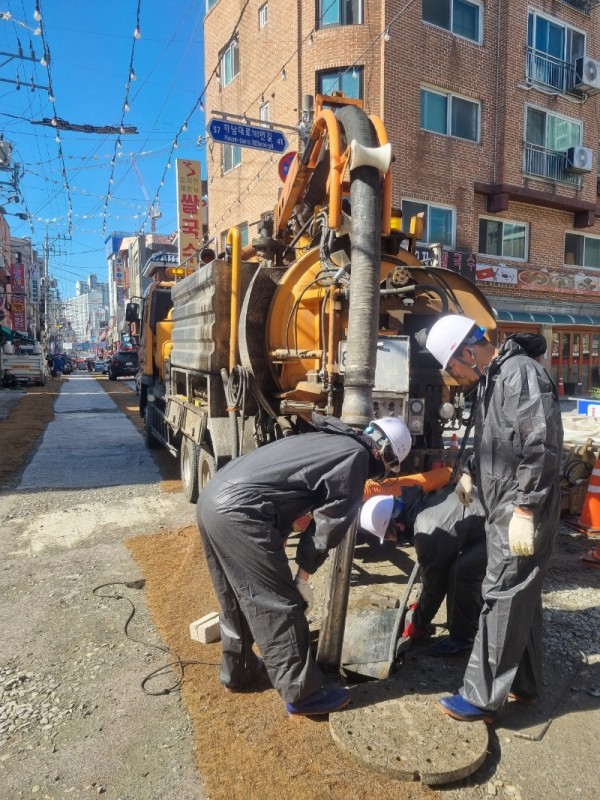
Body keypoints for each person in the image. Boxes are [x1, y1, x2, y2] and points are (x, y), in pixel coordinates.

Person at [196, 414, 412, 717]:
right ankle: (303, 693)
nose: (381, 474)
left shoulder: (326, 440)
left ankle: (239, 668)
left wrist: (279, 536)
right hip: (240, 513)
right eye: (389, 467)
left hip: (213, 498)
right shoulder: (355, 458)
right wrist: (302, 577)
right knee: (279, 603)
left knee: (234, 595)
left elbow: (280, 487)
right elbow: (328, 526)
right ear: (385, 454)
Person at [425, 315, 563, 723]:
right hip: (504, 499)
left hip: (520, 505)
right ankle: (526, 685)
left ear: (467, 352)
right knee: (522, 594)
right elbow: (491, 438)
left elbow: (543, 446)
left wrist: (526, 507)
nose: (455, 376)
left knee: (502, 592)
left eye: (453, 368)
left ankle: (481, 698)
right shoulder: (493, 377)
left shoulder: (520, 375)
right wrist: (469, 470)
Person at [359, 486, 487, 656]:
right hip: (486, 524)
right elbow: (433, 568)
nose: (393, 541)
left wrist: (418, 623)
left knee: (461, 571)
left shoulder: (427, 530)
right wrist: (420, 602)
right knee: (456, 567)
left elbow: (434, 587)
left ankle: (464, 638)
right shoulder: (420, 507)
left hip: (502, 532)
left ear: (399, 526)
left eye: (389, 537)